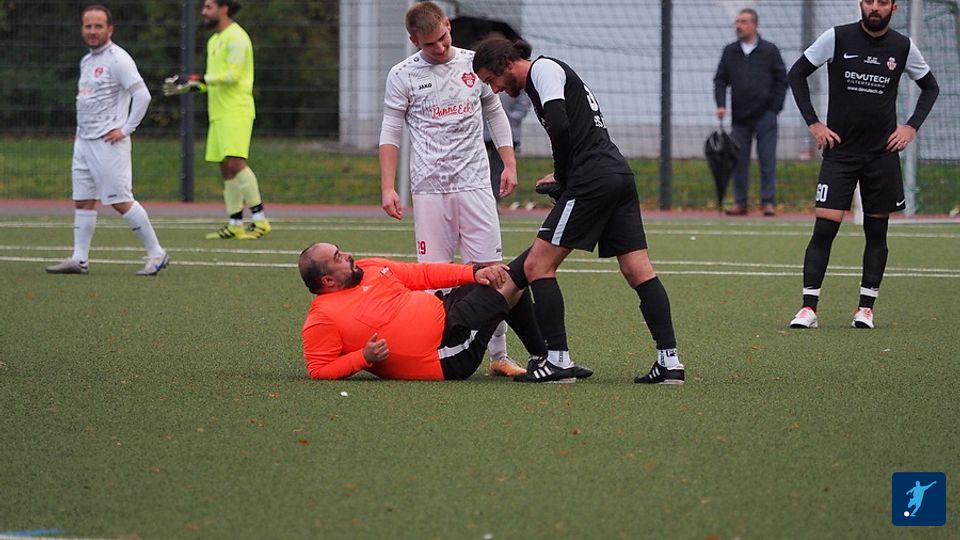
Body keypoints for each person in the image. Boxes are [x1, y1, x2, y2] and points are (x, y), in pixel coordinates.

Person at [473, 38, 684, 384]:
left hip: (593, 180)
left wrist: (563, 175)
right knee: (637, 269)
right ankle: (669, 362)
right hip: (616, 175)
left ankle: (557, 361)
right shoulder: (543, 77)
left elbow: (559, 124)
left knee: (537, 266)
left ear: (506, 64)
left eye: (491, 80)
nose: (494, 89)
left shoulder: (543, 69)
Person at [378, 2, 526, 377]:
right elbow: (390, 131)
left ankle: (499, 355)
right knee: (435, 274)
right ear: (414, 41)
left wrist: (508, 163)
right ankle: (433, 347)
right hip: (429, 189)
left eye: (443, 38)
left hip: (475, 184)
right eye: (430, 44)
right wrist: (388, 186)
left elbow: (495, 113)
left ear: (448, 25)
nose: (440, 48)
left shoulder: (473, 65)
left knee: (492, 269)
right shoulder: (402, 75)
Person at [787, 0, 939, 330]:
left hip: (881, 156)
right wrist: (814, 123)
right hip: (840, 153)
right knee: (824, 229)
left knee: (876, 232)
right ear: (861, 4)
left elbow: (930, 87)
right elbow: (796, 73)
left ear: (893, 8)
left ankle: (865, 309)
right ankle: (808, 308)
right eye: (869, 1)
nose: (875, 7)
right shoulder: (836, 37)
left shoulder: (903, 47)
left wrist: (911, 127)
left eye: (882, 2)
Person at [299, 242, 555, 381]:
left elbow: (421, 274)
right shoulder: (322, 317)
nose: (348, 255)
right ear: (328, 281)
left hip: (447, 311)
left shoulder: (368, 267)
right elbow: (319, 369)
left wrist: (473, 272)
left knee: (497, 278)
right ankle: (549, 360)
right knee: (515, 274)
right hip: (447, 351)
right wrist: (363, 357)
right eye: (338, 257)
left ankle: (541, 359)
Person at [46, 5, 169, 277]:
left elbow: (143, 96)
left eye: (98, 26)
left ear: (110, 29)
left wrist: (125, 129)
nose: (92, 31)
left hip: (108, 143)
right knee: (83, 200)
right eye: (88, 26)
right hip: (84, 142)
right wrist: (80, 133)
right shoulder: (86, 61)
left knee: (120, 200)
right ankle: (79, 259)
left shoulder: (118, 59)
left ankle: (157, 253)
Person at [163, 0, 270, 240]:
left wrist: (196, 77)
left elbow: (232, 76)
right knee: (225, 167)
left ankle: (260, 220)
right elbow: (214, 80)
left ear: (224, 8)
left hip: (236, 110)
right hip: (218, 112)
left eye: (209, 7)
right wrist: (189, 86)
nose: (204, 12)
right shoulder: (214, 40)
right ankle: (235, 224)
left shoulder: (237, 37)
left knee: (236, 163)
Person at [713, 8, 788, 217]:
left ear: (755, 25)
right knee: (738, 161)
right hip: (740, 117)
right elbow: (720, 80)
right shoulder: (730, 51)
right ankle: (740, 202)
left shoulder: (769, 50)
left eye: (744, 22)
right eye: (737, 22)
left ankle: (768, 202)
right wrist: (721, 104)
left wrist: (775, 108)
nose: (739, 26)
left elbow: (782, 79)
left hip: (765, 115)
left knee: (767, 160)